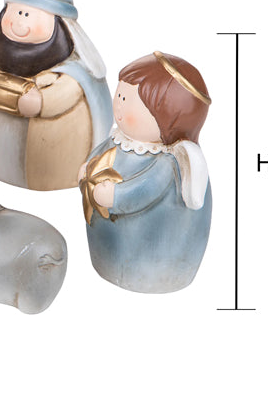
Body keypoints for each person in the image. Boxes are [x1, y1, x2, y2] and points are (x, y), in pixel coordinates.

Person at [78, 51, 212, 293]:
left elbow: (142, 192)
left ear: (166, 118)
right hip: (110, 247)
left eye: (127, 100)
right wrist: (87, 168)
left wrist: (115, 197)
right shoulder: (119, 139)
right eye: (119, 95)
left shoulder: (167, 163)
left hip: (149, 260)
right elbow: (99, 154)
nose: (118, 105)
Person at [0, 0, 112, 190]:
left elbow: (67, 91)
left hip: (51, 171)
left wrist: (43, 102)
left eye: (27, 14)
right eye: (16, 12)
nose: (19, 21)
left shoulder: (72, 71)